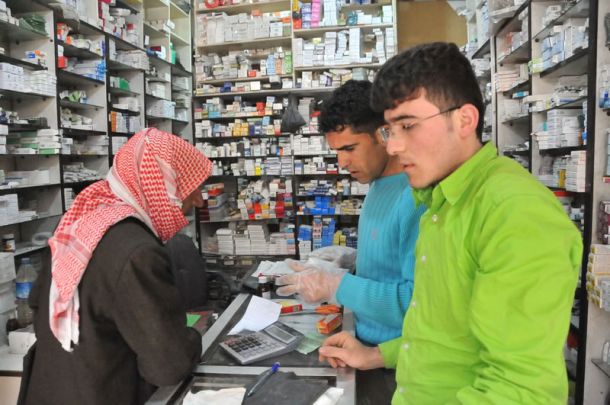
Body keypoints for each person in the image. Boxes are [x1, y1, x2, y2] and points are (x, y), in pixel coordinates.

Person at [318, 42, 582, 404]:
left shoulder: (515, 212)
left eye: (408, 126)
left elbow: (518, 389)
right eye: (390, 130)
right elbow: (442, 331)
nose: (393, 147)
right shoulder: (439, 200)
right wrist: (377, 355)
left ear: (464, 120)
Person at [20, 128, 212, 405]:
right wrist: (193, 335)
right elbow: (168, 366)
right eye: (193, 187)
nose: (199, 200)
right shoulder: (138, 252)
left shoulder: (82, 226)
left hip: (52, 391)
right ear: (164, 184)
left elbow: (38, 306)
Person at [278, 80, 424, 346]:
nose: (342, 162)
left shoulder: (415, 198)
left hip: (396, 356)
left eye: (349, 148)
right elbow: (391, 265)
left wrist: (336, 285)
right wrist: (352, 262)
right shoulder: (378, 184)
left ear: (384, 135)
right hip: (362, 340)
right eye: (336, 152)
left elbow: (417, 303)